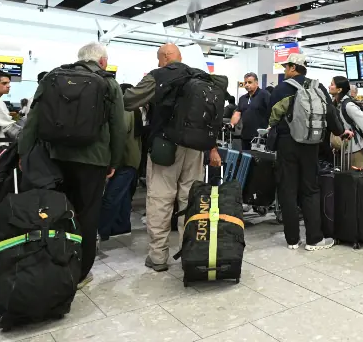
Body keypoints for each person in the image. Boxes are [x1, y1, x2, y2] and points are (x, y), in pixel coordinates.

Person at [20, 43, 126, 289]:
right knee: (88, 215)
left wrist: (24, 154)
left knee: (57, 211)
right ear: (102, 62)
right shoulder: (109, 84)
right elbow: (118, 127)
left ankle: (55, 262)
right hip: (94, 160)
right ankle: (80, 273)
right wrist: (114, 161)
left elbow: (33, 120)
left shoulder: (52, 78)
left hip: (56, 157)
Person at [123, 43, 222, 271]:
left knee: (161, 198)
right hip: (196, 148)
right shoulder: (201, 76)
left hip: (165, 147)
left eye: (159, 59)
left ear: (166, 57)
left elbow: (129, 101)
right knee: (191, 199)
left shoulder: (159, 76)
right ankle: (190, 252)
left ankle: (158, 257)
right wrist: (212, 147)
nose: (158, 63)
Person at [269, 54, 350, 251]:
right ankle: (314, 239)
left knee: (288, 191)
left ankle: (292, 240)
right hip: (311, 145)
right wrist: (341, 132)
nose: (285, 70)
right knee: (311, 190)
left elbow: (271, 118)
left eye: (286, 67)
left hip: (287, 144)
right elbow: (330, 113)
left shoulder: (280, 89)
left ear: (293, 67)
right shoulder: (318, 87)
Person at [99, 83, 143, 241]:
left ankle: (101, 231)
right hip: (131, 159)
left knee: (111, 196)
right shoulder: (135, 110)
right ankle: (121, 226)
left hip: (123, 160)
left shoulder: (125, 109)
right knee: (122, 195)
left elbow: (120, 132)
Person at [330, 76, 363, 169]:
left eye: (332, 84)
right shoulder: (336, 104)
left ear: (339, 89)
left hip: (354, 149)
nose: (329, 86)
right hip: (343, 149)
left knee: (356, 180)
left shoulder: (349, 105)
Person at [231, 72, 271, 151]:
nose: (246, 85)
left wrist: (271, 126)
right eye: (245, 82)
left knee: (259, 161)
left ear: (256, 83)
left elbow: (273, 110)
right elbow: (237, 113)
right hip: (245, 136)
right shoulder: (242, 98)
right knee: (246, 160)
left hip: (260, 137)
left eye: (249, 82)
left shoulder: (264, 95)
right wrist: (231, 124)